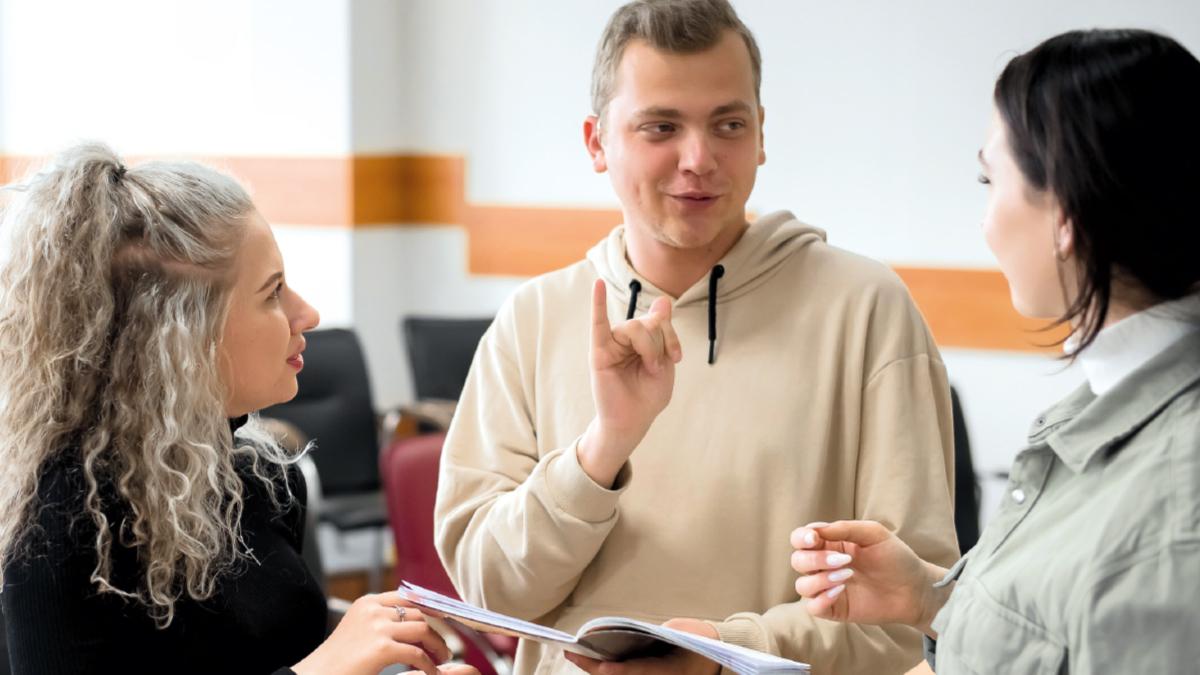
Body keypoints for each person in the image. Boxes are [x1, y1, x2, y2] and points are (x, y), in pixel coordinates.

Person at [434, 1, 959, 673]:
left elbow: (914, 612)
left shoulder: (868, 310)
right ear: (596, 142)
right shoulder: (531, 319)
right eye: (661, 126)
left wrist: (728, 654)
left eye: (728, 124)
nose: (698, 158)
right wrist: (602, 451)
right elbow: (492, 588)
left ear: (762, 134)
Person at [790, 28, 1200, 674]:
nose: (985, 221)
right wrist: (930, 597)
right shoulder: (1102, 408)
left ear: (1064, 214)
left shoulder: (1176, 510)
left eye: (990, 178)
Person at [0, 143, 477, 675]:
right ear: (181, 338)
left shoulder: (257, 479)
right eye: (273, 293)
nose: (308, 314)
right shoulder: (57, 523)